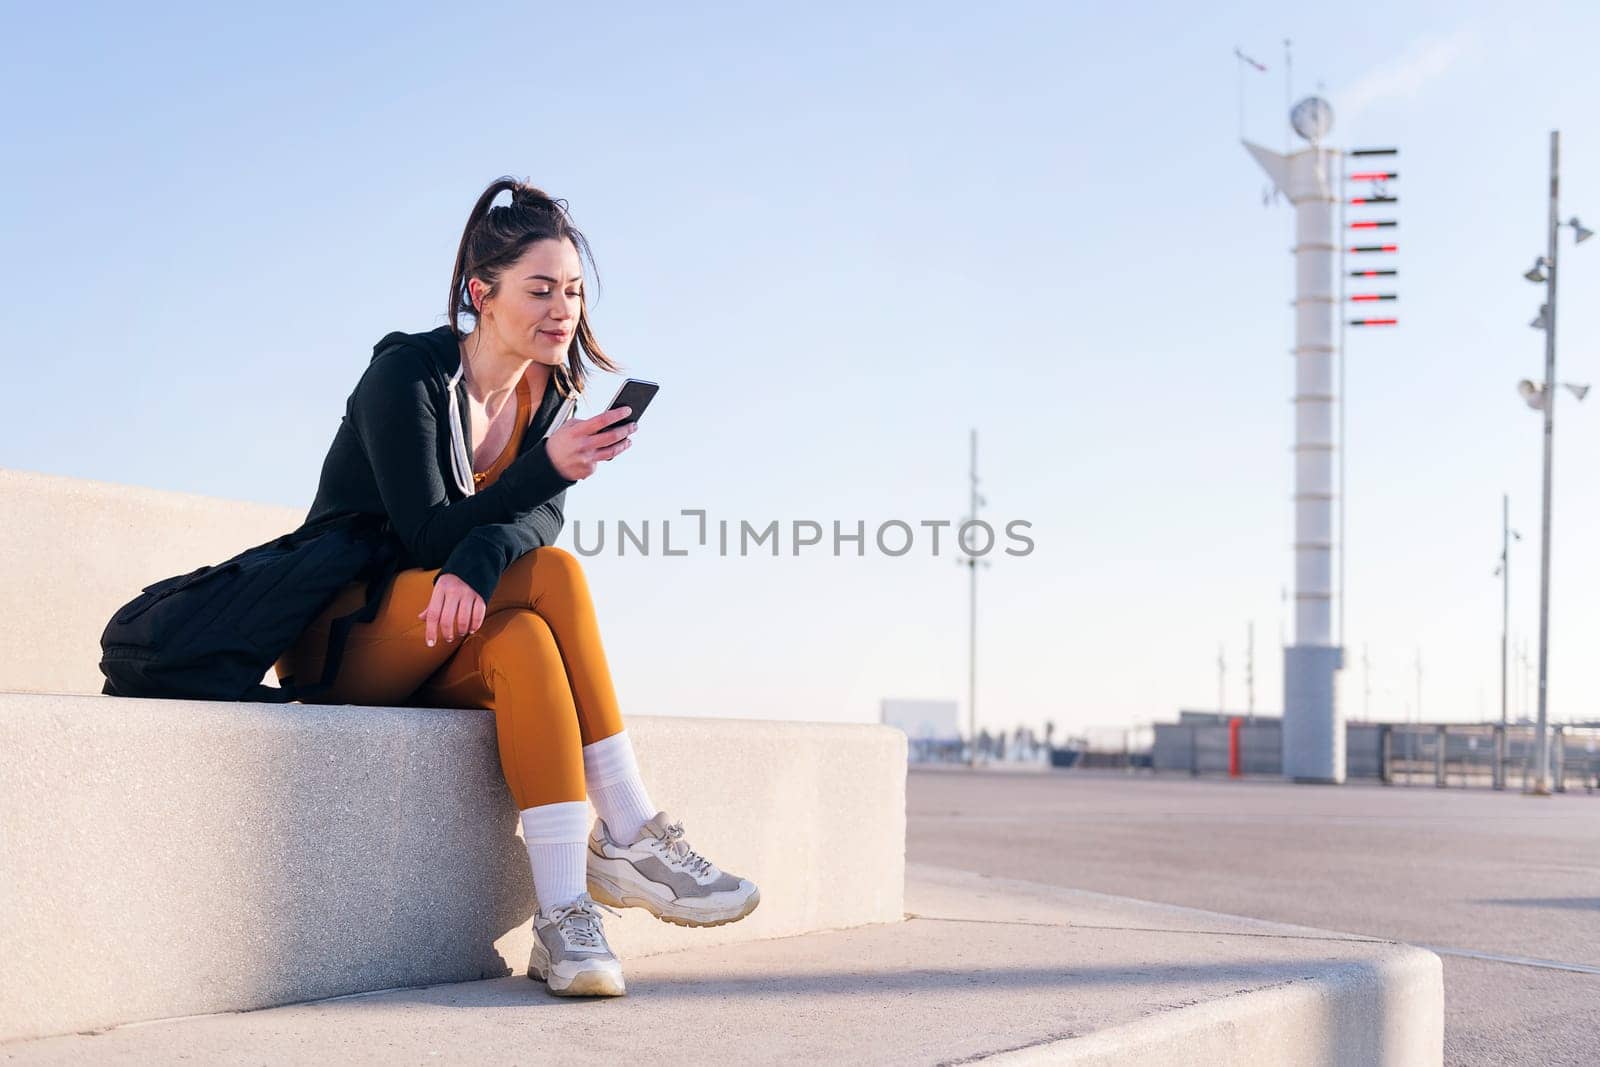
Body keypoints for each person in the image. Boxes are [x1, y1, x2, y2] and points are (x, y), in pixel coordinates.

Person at [272, 176, 759, 999]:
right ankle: (632, 829)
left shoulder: (550, 394)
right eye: (539, 289)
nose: (561, 309)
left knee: (530, 637)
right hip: (346, 636)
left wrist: (494, 540)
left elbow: (537, 526)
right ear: (480, 294)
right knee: (556, 579)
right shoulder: (407, 377)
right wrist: (538, 474)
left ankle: (566, 916)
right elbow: (425, 532)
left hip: (454, 634)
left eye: (571, 290)